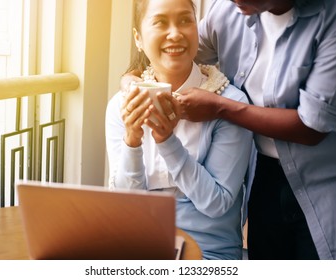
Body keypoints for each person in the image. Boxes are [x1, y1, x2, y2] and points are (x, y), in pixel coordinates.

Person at [173, 0, 336, 260]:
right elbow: (179, 51)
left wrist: (221, 108)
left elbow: (313, 127)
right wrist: (133, 76)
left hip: (328, 183)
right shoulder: (226, 10)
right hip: (263, 178)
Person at [106, 0, 253, 260]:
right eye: (160, 22)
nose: (175, 33)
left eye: (185, 20)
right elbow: (125, 206)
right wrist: (132, 139)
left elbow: (217, 203)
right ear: (138, 38)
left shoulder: (229, 103)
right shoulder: (121, 105)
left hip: (209, 254)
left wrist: (166, 140)